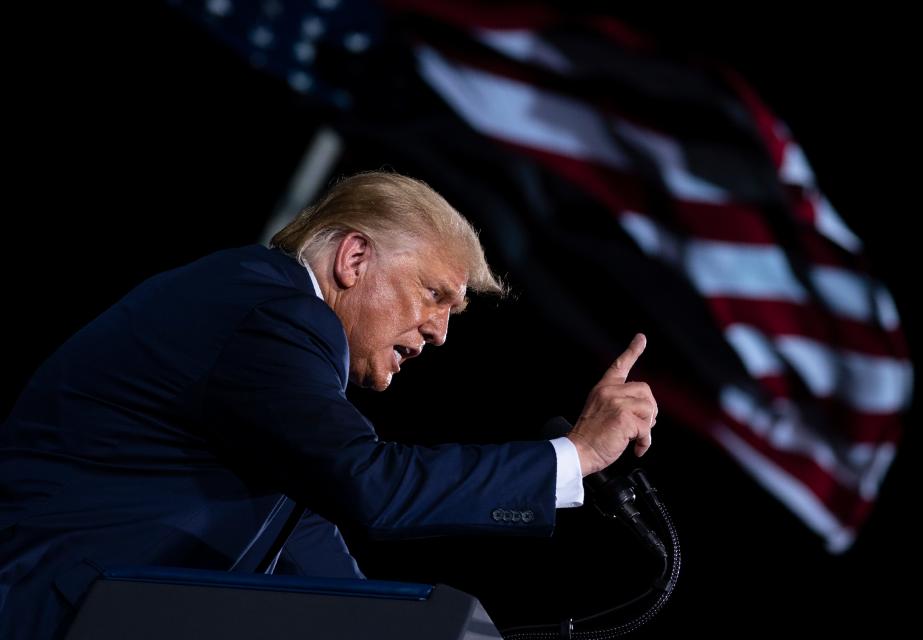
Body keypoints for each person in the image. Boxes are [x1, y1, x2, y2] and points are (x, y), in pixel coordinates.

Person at [0, 171, 657, 638]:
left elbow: (322, 573)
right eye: (434, 294)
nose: (440, 332)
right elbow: (372, 486)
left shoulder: (270, 373)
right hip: (44, 610)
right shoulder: (275, 312)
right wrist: (573, 456)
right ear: (355, 256)